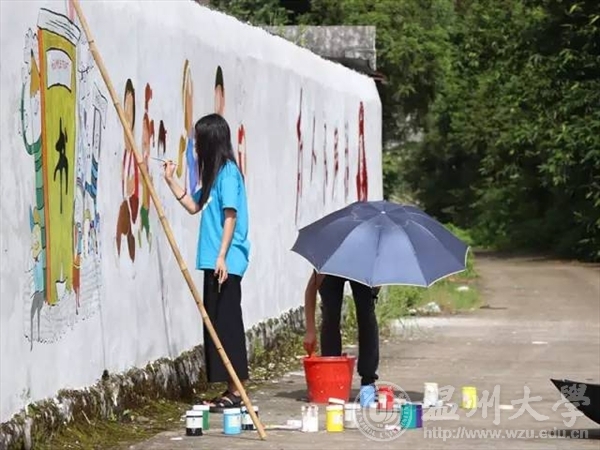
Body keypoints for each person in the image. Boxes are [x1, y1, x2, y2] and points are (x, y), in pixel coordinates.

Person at [163, 113, 250, 412]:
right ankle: (230, 389)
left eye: (199, 142)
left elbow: (230, 216)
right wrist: (171, 180)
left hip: (226, 263)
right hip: (213, 262)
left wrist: (222, 255)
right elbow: (193, 205)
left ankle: (237, 392)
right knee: (215, 326)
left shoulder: (229, 174)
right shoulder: (213, 177)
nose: (196, 148)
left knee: (228, 325)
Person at [303, 271, 381, 388]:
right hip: (332, 271)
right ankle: (331, 376)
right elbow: (311, 287)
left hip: (363, 266)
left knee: (366, 313)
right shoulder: (327, 264)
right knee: (330, 315)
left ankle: (368, 381)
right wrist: (310, 331)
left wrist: (377, 279)